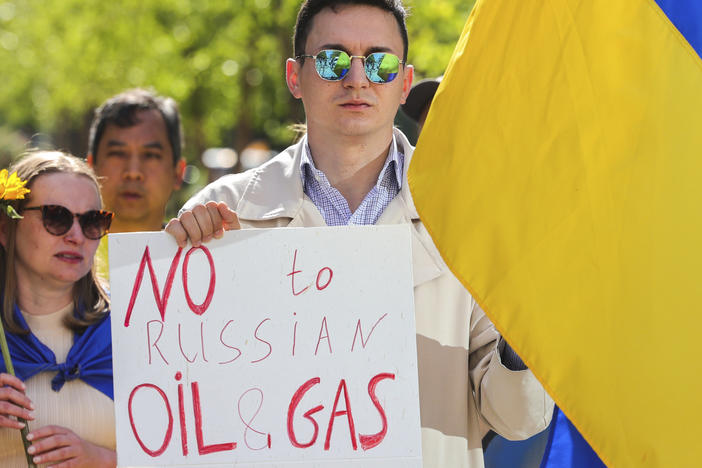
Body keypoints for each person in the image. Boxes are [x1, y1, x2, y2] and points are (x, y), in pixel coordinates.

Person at [166, 1, 554, 466]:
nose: (357, 79)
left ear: (405, 82)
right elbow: (187, 408)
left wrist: (523, 330)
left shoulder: (472, 219)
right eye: (331, 60)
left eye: (380, 62)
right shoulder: (220, 216)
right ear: (294, 77)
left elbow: (517, 421)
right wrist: (181, 263)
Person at [0, 151, 116, 467]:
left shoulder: (137, 327)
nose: (76, 236)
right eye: (56, 217)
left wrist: (105, 460)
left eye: (93, 221)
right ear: (5, 228)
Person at [87, 88, 186, 280]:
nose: (133, 172)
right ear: (90, 167)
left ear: (178, 173)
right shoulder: (65, 259)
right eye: (118, 153)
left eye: (150, 155)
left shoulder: (198, 264)